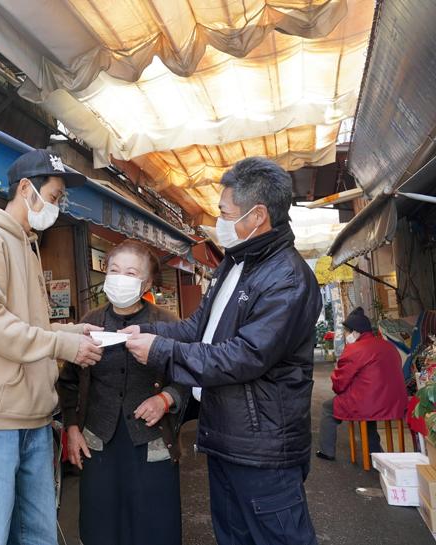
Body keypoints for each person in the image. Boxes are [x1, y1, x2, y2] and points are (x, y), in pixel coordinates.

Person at [123, 157, 322, 545]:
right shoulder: (234, 262)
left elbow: (243, 356)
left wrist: (162, 352)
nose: (219, 221)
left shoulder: (288, 278)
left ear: (258, 215)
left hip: (263, 450)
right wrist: (146, 330)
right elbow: (199, 329)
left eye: (225, 212)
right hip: (226, 439)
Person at [0, 149, 104, 545]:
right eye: (53, 197)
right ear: (24, 188)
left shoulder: (27, 244)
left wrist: (69, 331)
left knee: (37, 535)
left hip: (33, 416)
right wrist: (61, 344)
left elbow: (27, 326)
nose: (56, 207)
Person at [57, 239, 190, 545]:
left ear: (146, 282)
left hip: (152, 439)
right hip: (98, 440)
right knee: (101, 525)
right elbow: (68, 383)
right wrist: (73, 428)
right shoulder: (90, 323)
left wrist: (166, 398)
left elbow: (188, 376)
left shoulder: (166, 324)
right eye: (115, 270)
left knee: (154, 526)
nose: (120, 278)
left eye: (131, 273)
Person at [317, 307, 408, 461]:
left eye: (347, 332)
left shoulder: (355, 349)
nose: (346, 335)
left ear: (355, 332)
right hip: (395, 401)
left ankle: (327, 451)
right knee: (368, 410)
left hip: (369, 403)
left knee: (328, 408)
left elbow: (339, 384)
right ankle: (374, 451)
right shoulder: (388, 346)